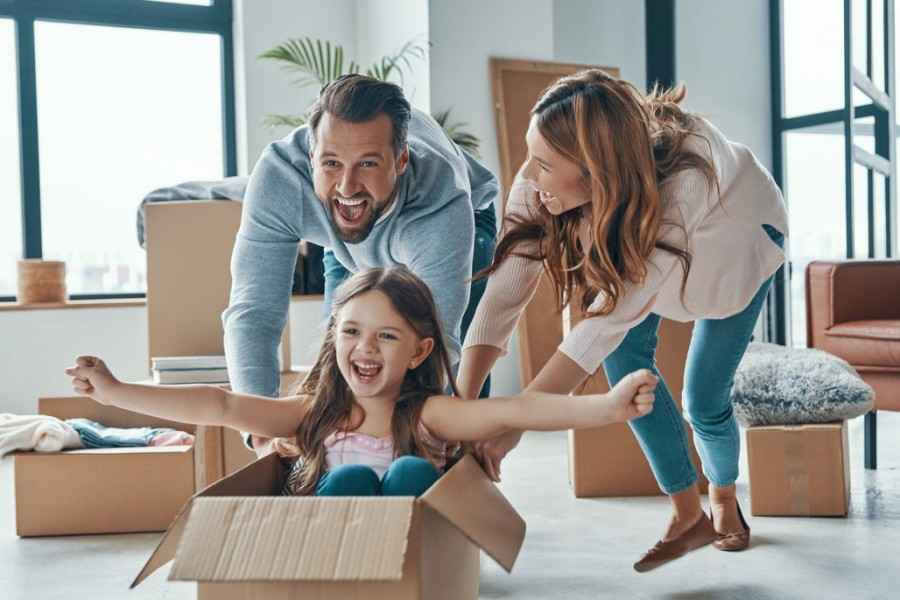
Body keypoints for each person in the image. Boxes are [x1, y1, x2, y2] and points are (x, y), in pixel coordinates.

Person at [457, 69, 788, 571]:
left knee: (703, 399)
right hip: (649, 261)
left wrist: (512, 423)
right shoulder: (541, 185)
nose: (526, 176)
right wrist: (464, 409)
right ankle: (686, 514)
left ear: (595, 175)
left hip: (736, 257)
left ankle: (721, 492)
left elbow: (600, 326)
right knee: (626, 371)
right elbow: (504, 294)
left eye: (543, 164)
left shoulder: (684, 184)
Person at [66, 267, 658, 497]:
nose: (364, 349)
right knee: (347, 474)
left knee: (409, 472)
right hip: (333, 558)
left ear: (420, 350)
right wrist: (116, 393)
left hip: (410, 560)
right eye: (351, 332)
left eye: (387, 337)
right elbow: (218, 404)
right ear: (334, 338)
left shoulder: (427, 413)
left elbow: (514, 413)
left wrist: (605, 408)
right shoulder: (311, 414)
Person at [223, 74, 499, 457]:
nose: (348, 185)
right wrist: (263, 436)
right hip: (347, 238)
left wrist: (408, 441)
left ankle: (464, 470)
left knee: (454, 388)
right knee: (341, 354)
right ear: (311, 156)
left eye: (367, 163)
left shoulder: (441, 200)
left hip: (463, 220)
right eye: (331, 163)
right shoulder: (279, 180)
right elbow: (253, 312)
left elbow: (435, 342)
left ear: (401, 160)